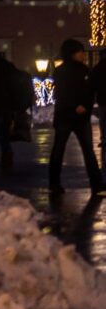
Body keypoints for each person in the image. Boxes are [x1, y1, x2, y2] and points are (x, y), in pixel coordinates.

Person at [49, 37, 103, 195]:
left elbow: (90, 91)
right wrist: (76, 105)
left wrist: (85, 106)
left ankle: (96, 184)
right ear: (71, 53)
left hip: (79, 117)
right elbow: (62, 93)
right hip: (67, 117)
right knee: (60, 150)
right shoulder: (62, 71)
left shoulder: (84, 70)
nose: (82, 54)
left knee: (87, 151)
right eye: (80, 51)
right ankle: (55, 183)